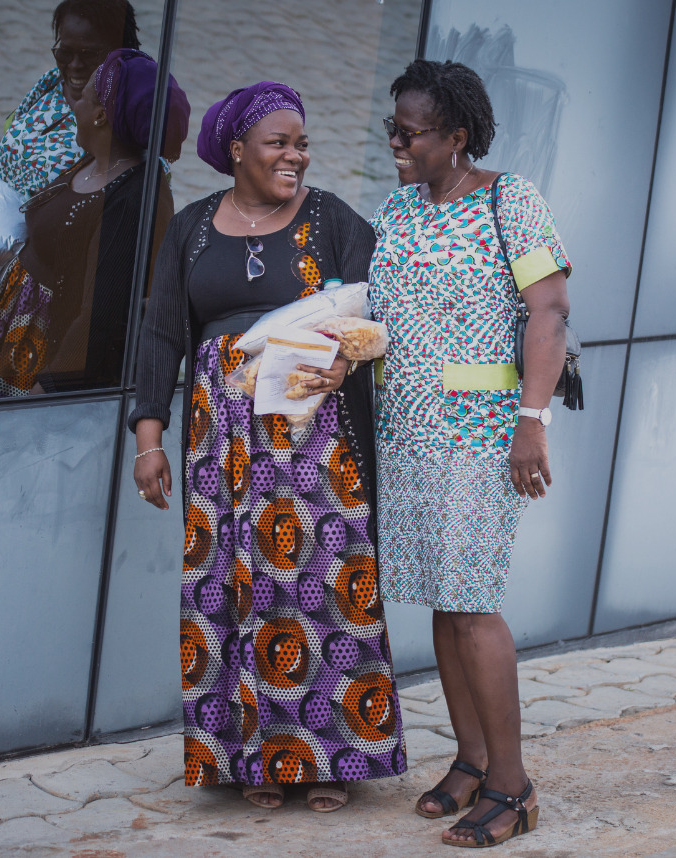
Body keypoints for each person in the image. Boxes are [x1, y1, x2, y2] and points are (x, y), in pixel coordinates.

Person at [129, 82, 407, 813]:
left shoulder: (331, 221)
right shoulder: (190, 229)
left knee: (320, 585)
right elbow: (162, 336)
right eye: (279, 142)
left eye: (302, 142)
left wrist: (352, 358)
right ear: (237, 151)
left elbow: (385, 311)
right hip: (222, 446)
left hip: (316, 441)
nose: (296, 155)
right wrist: (148, 439)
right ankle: (253, 756)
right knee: (234, 586)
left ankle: (329, 759)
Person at [368, 59, 571, 848]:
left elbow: (548, 311)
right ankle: (472, 760)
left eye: (409, 131)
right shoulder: (399, 210)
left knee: (474, 606)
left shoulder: (507, 201)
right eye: (393, 126)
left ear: (456, 137)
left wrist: (532, 420)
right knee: (445, 610)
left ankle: (513, 788)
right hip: (409, 436)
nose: (395, 141)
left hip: (482, 438)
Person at [0, 0, 142, 403]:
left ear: (118, 52)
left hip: (39, 308)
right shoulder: (47, 88)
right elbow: (3, 152)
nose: (72, 66)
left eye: (87, 55)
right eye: (63, 52)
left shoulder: (126, 120)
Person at [0, 49, 188, 399]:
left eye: (84, 98)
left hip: (45, 364)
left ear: (102, 116)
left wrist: (48, 389)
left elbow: (101, 316)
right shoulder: (96, 161)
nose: (73, 106)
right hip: (17, 339)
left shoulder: (134, 200)